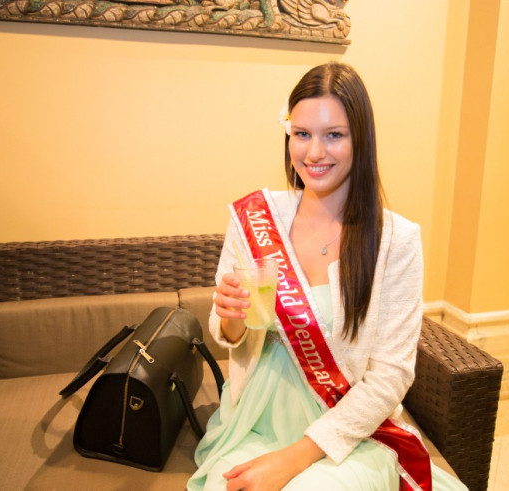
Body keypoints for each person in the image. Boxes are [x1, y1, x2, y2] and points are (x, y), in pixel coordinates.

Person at [187, 62, 466, 491]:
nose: (314, 153)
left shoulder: (397, 241)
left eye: (333, 135)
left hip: (348, 431)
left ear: (361, 140)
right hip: (253, 421)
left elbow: (392, 375)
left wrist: (292, 460)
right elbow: (230, 334)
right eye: (302, 134)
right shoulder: (256, 219)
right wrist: (230, 317)